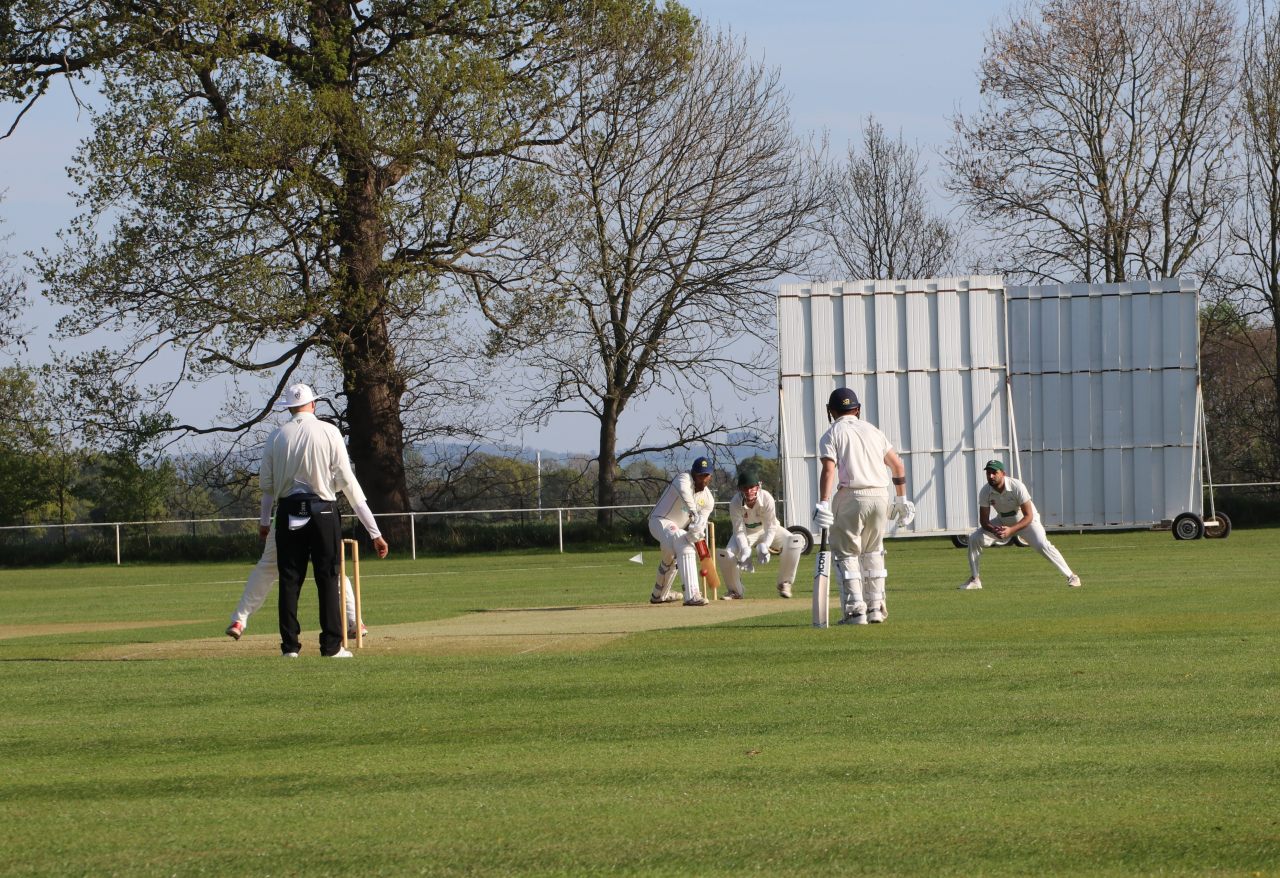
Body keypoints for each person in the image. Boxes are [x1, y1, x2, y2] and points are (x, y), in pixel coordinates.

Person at [259, 383, 389, 658]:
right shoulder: (329, 431)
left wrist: (264, 522)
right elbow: (348, 483)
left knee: (290, 579)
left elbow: (268, 487)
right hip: (322, 510)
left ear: (289, 408)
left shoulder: (276, 436)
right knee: (328, 577)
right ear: (313, 405)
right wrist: (374, 532)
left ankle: (289, 648)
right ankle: (331, 646)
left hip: (291, 511)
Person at [812, 387, 915, 625]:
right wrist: (901, 499)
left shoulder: (832, 433)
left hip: (851, 495)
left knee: (847, 552)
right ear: (857, 409)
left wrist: (824, 503)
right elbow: (898, 467)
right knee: (873, 551)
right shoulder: (874, 431)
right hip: (880, 496)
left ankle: (855, 610)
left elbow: (829, 470)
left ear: (831, 411)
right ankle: (876, 608)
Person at [223, 521, 364, 642]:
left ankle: (239, 621)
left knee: (266, 569)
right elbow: (353, 494)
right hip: (321, 516)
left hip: (287, 518)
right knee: (331, 571)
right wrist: (375, 533)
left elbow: (268, 492)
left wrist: (265, 522)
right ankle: (355, 622)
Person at [959, 460, 1081, 590]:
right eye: (988, 473)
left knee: (1042, 545)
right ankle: (975, 579)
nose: (991, 476)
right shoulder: (985, 491)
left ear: (1003, 473)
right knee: (974, 539)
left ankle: (1072, 576)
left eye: (994, 473)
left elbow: (1029, 516)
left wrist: (1011, 530)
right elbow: (984, 521)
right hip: (1003, 522)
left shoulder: (1017, 486)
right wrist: (995, 530)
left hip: (1027, 522)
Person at [715, 465, 806, 599]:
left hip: (768, 531)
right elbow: (739, 530)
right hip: (747, 533)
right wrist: (745, 549)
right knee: (726, 555)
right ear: (740, 489)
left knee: (795, 541)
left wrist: (765, 545)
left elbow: (771, 526)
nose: (749, 491)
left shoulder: (767, 498)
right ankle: (735, 591)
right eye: (745, 488)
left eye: (752, 487)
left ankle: (784, 583)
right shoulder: (735, 503)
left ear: (758, 487)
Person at [647, 456, 717, 607]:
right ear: (693, 473)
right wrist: (694, 513)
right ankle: (692, 595)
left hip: (675, 529)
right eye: (700, 475)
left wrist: (696, 531)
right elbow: (686, 496)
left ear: (711, 476)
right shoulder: (683, 479)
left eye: (706, 475)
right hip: (659, 521)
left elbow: (700, 523)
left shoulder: (708, 500)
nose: (703, 479)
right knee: (682, 541)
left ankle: (659, 594)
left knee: (670, 558)